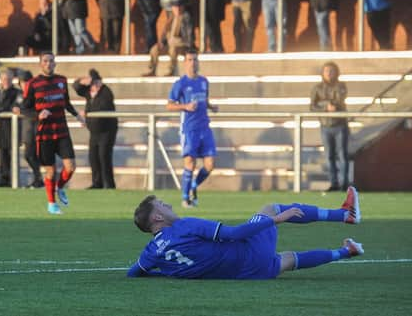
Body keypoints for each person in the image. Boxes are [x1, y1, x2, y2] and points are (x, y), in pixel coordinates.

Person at [127, 189, 363, 279]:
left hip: (249, 274)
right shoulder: (184, 226)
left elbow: (133, 273)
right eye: (161, 205)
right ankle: (344, 214)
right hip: (249, 254)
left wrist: (166, 275)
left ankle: (346, 251)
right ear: (157, 218)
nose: (167, 204)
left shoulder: (151, 253)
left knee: (288, 259)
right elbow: (234, 233)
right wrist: (275, 220)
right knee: (271, 208)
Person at [22, 51, 85, 214]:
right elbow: (24, 109)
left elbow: (67, 103)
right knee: (50, 170)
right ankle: (52, 204)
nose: (49, 63)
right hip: (44, 134)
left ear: (55, 63)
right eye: (45, 61)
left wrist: (78, 115)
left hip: (62, 130)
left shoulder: (61, 80)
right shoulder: (33, 84)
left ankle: (60, 187)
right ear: (40, 64)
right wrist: (38, 115)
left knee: (70, 167)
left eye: (51, 61)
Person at [166, 50, 218, 207]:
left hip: (204, 127)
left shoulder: (203, 81)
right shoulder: (180, 84)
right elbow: (169, 105)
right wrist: (185, 106)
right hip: (189, 128)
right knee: (190, 163)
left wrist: (211, 106)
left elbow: (204, 100)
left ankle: (194, 186)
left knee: (210, 165)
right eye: (189, 59)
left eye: (195, 59)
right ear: (185, 62)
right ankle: (185, 198)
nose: (193, 62)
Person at [73, 69, 118, 189]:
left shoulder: (106, 92)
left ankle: (109, 184)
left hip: (106, 130)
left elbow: (103, 107)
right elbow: (76, 87)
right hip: (94, 130)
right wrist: (81, 80)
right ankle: (97, 183)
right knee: (93, 156)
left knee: (104, 156)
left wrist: (87, 113)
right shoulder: (89, 92)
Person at [310, 62, 349, 191]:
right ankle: (334, 183)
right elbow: (312, 106)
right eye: (326, 71)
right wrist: (326, 106)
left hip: (340, 125)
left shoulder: (341, 86)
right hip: (325, 126)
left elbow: (338, 100)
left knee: (342, 155)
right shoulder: (317, 88)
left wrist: (325, 104)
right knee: (329, 156)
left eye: (332, 71)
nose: (329, 73)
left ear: (336, 72)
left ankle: (344, 183)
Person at [0, 70, 22, 187]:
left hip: (13, 128)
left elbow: (15, 106)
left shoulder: (17, 92)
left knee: (12, 153)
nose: (6, 81)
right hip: (1, 128)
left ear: (12, 79)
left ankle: (12, 179)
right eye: (4, 79)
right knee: (3, 153)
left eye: (8, 79)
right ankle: (4, 179)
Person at [143, 2, 194, 77]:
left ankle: (172, 70)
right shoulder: (171, 18)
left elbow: (189, 36)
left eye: (179, 7)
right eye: (175, 7)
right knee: (154, 49)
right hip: (170, 44)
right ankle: (152, 70)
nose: (177, 9)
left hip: (182, 45)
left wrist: (186, 44)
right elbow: (165, 33)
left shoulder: (186, 18)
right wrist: (161, 43)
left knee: (173, 49)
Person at [18, 70, 42, 188]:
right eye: (22, 82)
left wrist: (21, 111)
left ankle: (38, 180)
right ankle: (38, 179)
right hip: (26, 130)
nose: (24, 85)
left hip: (35, 129)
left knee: (32, 155)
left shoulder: (35, 95)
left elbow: (36, 111)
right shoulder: (19, 95)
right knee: (29, 155)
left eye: (26, 82)